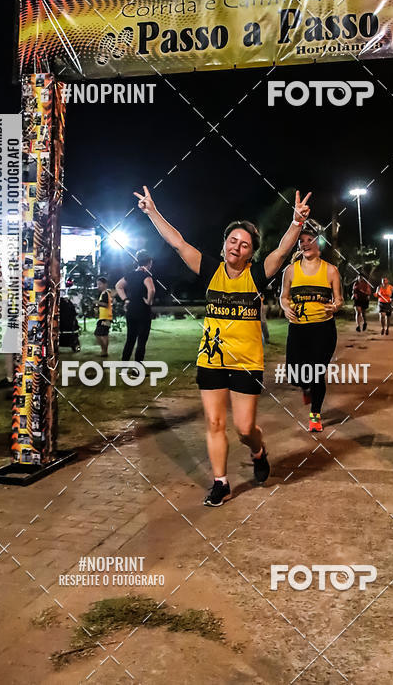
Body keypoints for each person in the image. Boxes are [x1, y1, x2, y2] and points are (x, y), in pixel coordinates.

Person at [133, 184, 311, 507]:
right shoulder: (210, 270)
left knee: (244, 428)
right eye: (233, 240)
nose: (237, 247)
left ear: (251, 253)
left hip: (246, 361)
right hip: (211, 359)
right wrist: (153, 213)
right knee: (215, 423)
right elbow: (178, 243)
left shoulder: (257, 275)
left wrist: (296, 222)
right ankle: (221, 483)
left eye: (244, 245)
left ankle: (258, 451)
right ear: (224, 244)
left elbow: (282, 252)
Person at [280, 221, 343, 432]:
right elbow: (284, 297)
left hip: (323, 330)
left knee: (316, 373)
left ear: (319, 243)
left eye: (310, 240)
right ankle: (305, 387)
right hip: (298, 330)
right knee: (294, 375)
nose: (305, 244)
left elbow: (339, 299)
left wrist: (335, 307)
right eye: (301, 241)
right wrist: (286, 307)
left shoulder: (331, 270)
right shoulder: (290, 271)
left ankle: (315, 415)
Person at [115, 250, 155, 362]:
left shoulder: (130, 275)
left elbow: (118, 286)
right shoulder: (146, 276)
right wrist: (149, 301)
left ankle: (124, 365)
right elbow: (151, 290)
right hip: (143, 310)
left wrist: (125, 299)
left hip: (131, 309)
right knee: (141, 341)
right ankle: (137, 368)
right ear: (149, 262)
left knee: (130, 339)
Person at [94, 276, 113, 357]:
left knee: (98, 334)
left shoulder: (105, 293)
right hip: (106, 317)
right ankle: (104, 351)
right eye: (97, 284)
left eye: (100, 284)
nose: (98, 286)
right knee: (104, 335)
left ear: (105, 284)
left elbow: (105, 304)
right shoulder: (105, 293)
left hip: (105, 318)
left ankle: (104, 351)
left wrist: (96, 302)